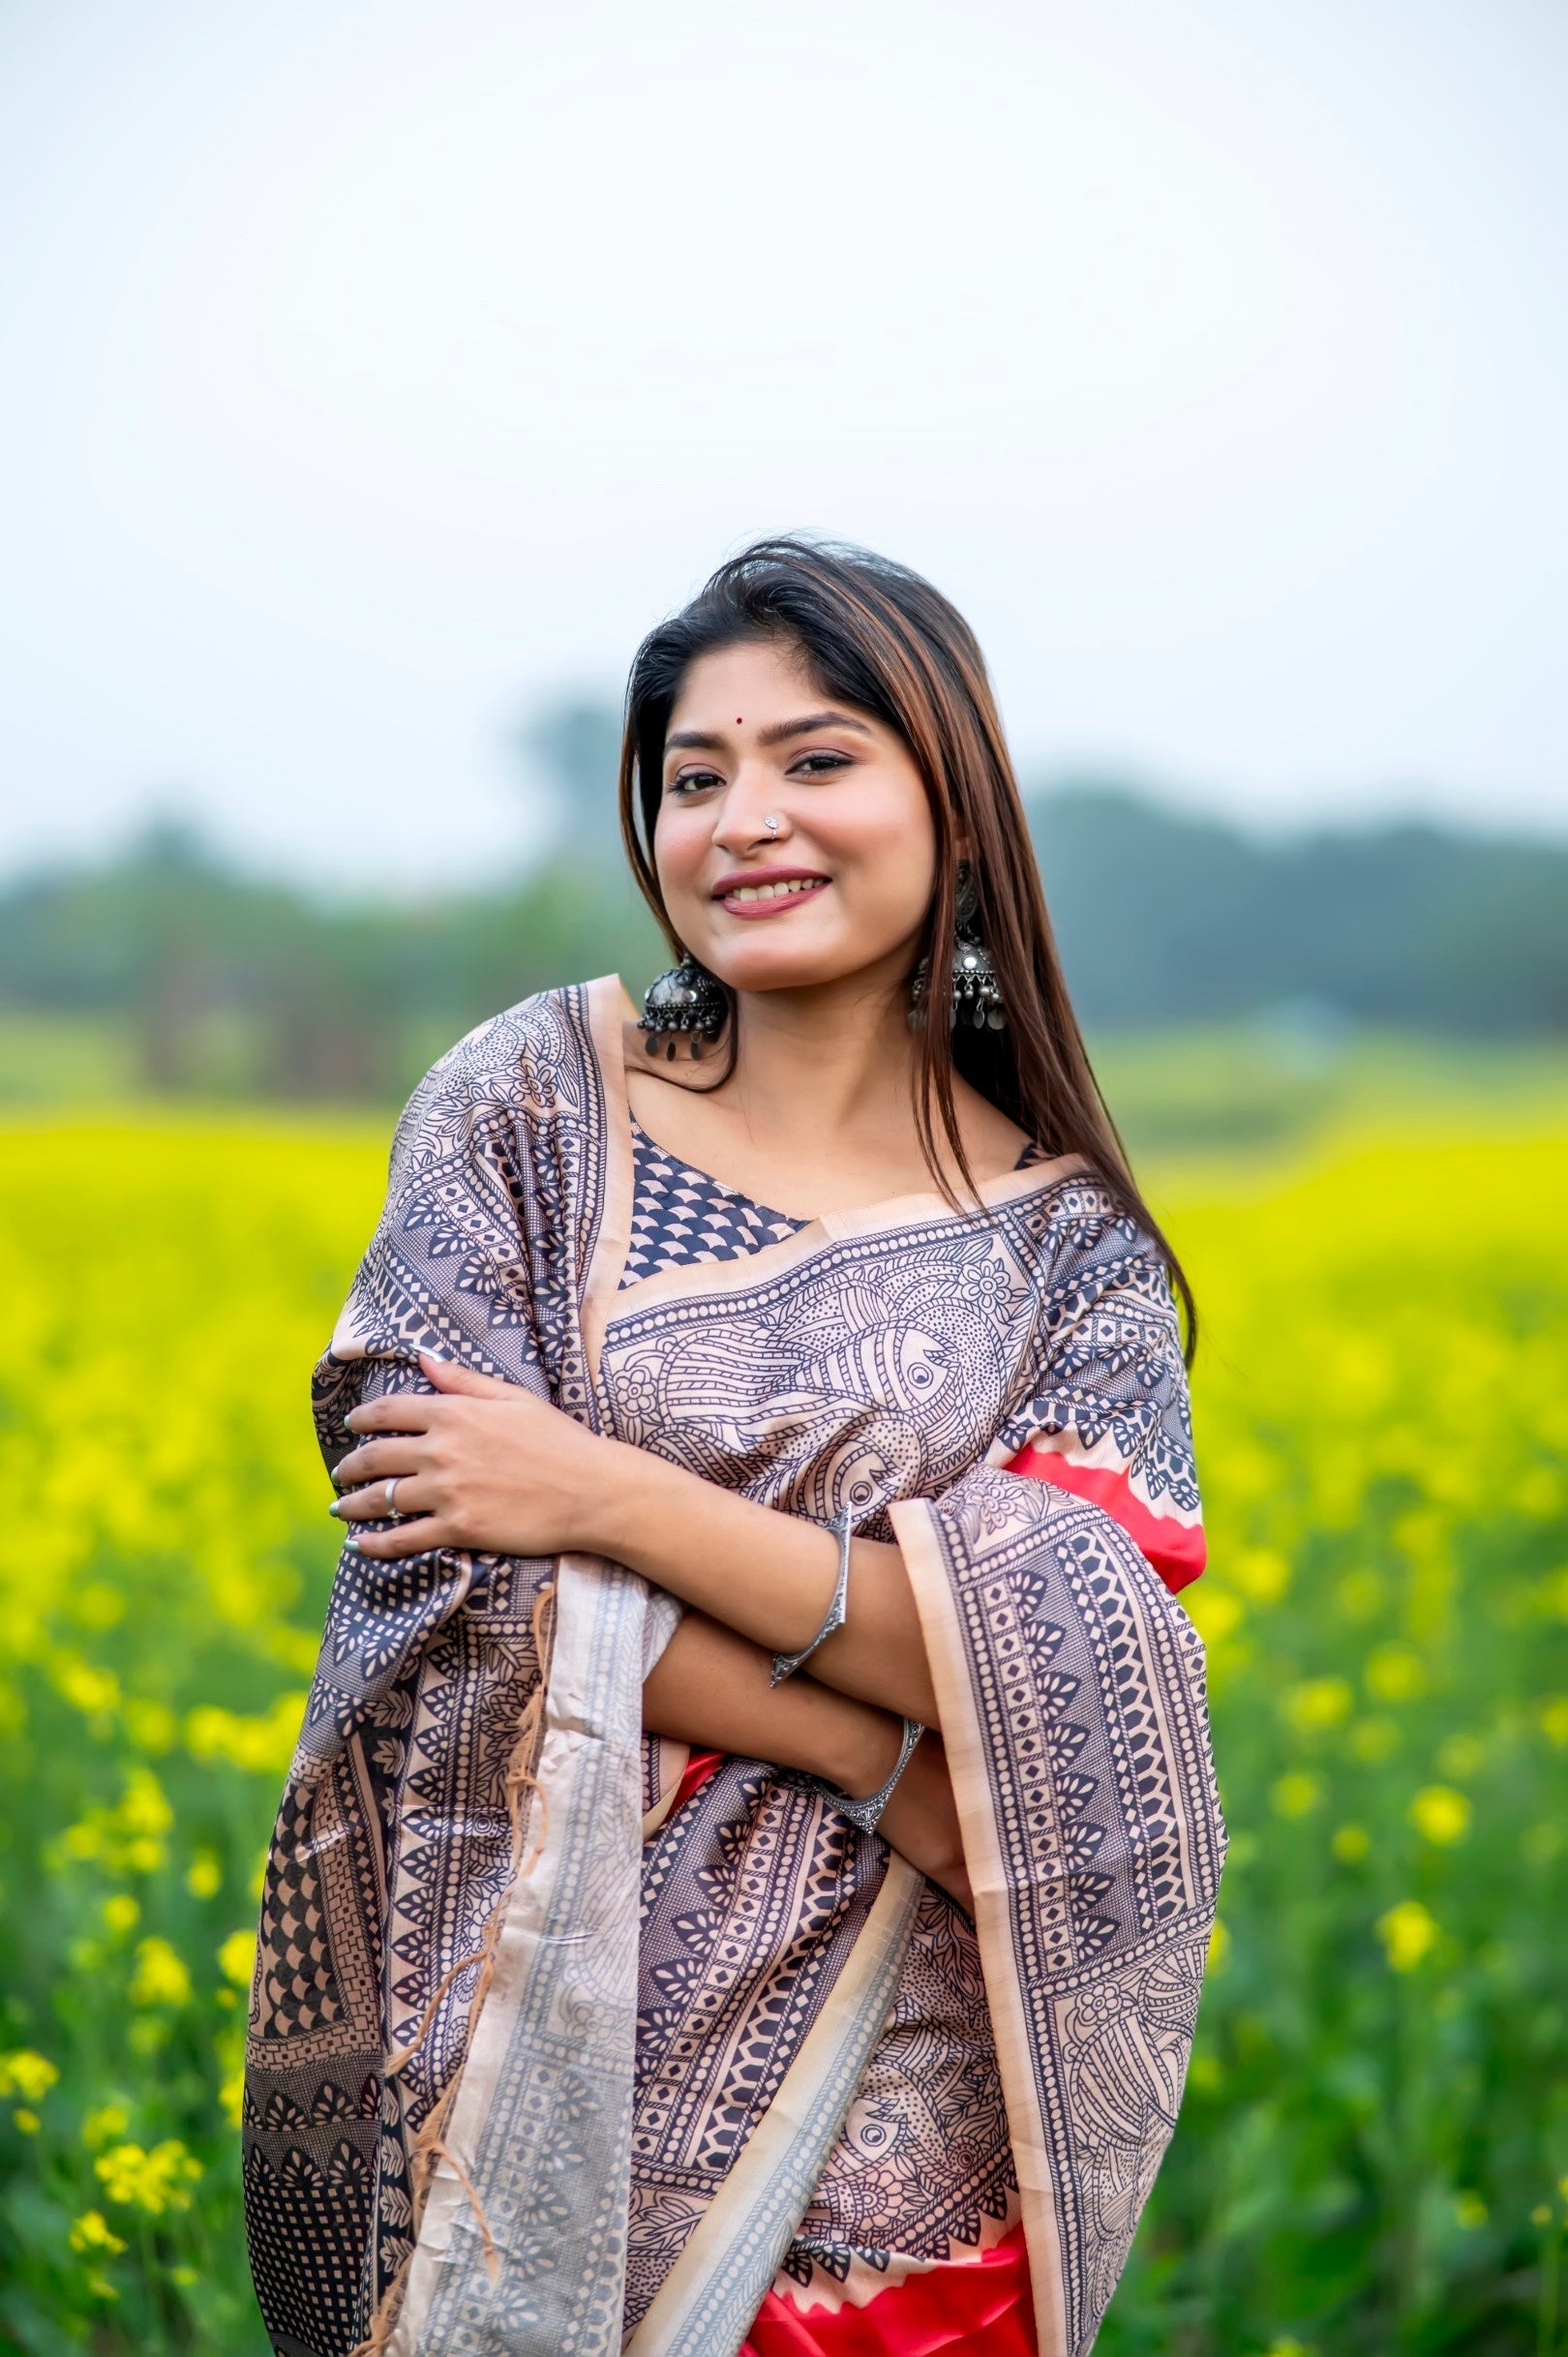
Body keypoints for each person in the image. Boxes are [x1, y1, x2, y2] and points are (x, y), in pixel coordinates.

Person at [241, 538, 1224, 2357]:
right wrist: (887, 1761)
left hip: (898, 2130)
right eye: (698, 777)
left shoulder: (1068, 1253)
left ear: (955, 796)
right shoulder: (532, 1103)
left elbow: (1064, 1662)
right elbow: (441, 1558)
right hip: (523, 2029)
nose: (744, 819)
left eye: (818, 760)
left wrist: (604, 1493)